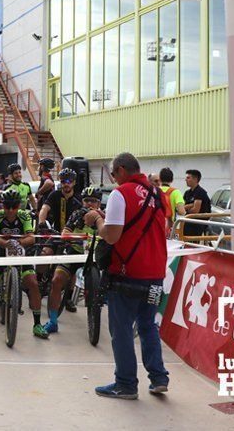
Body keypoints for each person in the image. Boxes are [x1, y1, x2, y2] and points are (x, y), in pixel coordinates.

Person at [83, 152, 169, 399]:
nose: (113, 178)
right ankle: (159, 377)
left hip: (127, 273)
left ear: (121, 170)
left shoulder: (121, 194)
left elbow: (112, 236)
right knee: (148, 325)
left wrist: (98, 220)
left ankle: (126, 383)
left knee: (121, 329)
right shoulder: (158, 194)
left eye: (113, 173)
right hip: (155, 273)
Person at [0, 190, 49, 339]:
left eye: (14, 207)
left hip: (20, 252)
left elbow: (31, 238)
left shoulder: (24, 215)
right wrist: (6, 244)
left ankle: (37, 324)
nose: (11, 210)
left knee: (32, 283)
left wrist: (18, 243)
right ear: (3, 205)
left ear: (19, 205)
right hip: (1, 250)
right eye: (7, 207)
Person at [44, 185, 103, 334]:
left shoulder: (104, 216)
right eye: (86, 201)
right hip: (74, 251)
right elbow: (65, 234)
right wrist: (81, 237)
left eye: (94, 201)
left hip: (95, 255)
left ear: (99, 203)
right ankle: (52, 321)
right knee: (57, 280)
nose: (90, 204)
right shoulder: (77, 214)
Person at [38, 168, 82, 233]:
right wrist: (41, 223)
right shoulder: (55, 194)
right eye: (63, 181)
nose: (66, 184)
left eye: (69, 181)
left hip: (73, 234)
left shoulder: (79, 197)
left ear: (74, 182)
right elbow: (44, 208)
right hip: (56, 233)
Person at [182, 169, 211, 238]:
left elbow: (195, 210)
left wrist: (186, 208)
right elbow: (181, 207)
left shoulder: (200, 192)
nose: (185, 180)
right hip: (188, 222)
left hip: (198, 224)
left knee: (192, 244)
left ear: (195, 179)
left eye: (188, 178)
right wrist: (190, 205)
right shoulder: (187, 193)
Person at [158, 167, 185, 235]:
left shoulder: (155, 190)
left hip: (156, 225)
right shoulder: (176, 192)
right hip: (169, 226)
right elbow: (181, 211)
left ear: (160, 179)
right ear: (172, 179)